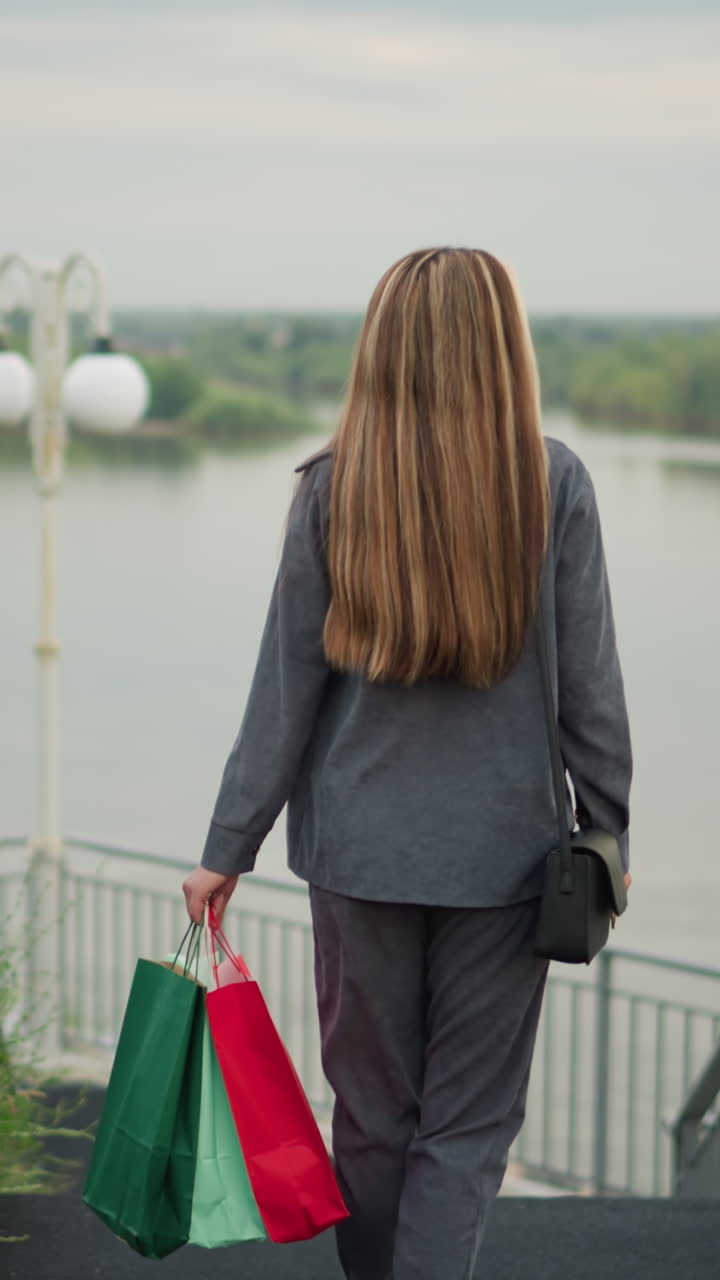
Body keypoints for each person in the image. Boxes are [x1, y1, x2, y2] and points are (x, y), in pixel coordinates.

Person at [183, 247, 632, 1280]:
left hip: (358, 857)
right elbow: (594, 694)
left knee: (374, 1119)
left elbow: (281, 693)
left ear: (383, 347)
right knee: (466, 1131)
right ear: (504, 348)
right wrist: (606, 831)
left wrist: (226, 848)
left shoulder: (331, 487)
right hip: (509, 864)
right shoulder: (554, 480)